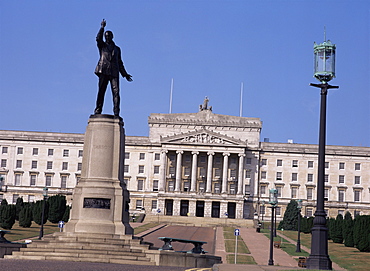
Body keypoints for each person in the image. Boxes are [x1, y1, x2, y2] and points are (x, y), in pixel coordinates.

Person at [94, 19, 132, 116]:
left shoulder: (117, 49)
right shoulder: (102, 46)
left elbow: (119, 62)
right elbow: (98, 39)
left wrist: (125, 74)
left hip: (114, 72)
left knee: (116, 93)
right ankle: (98, 109)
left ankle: (116, 112)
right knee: (101, 91)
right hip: (103, 70)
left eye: (109, 36)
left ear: (112, 37)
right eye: (106, 36)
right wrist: (102, 28)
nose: (107, 38)